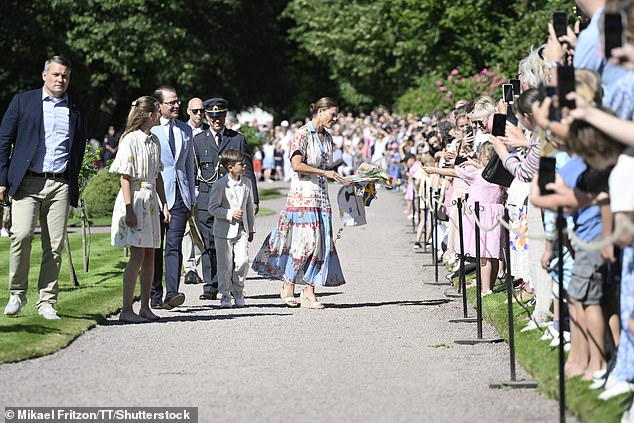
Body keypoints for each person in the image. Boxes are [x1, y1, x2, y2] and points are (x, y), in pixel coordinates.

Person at [0, 55, 87, 320]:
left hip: (59, 183)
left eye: (65, 76)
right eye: (56, 75)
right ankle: (17, 293)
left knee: (55, 244)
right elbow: (4, 140)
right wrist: (2, 180)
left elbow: (79, 146)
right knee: (22, 234)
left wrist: (74, 179)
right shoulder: (23, 101)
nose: (61, 80)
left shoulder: (76, 107)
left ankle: (47, 301)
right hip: (27, 181)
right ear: (44, 75)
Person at [252, 97, 346, 309]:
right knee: (306, 241)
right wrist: (324, 172)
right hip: (302, 195)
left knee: (321, 243)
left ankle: (309, 290)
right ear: (320, 111)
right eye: (332, 114)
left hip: (321, 196)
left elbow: (325, 168)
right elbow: (296, 165)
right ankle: (289, 283)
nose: (335, 118)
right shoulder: (302, 134)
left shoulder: (328, 138)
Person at [110, 96, 171, 323]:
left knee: (150, 253)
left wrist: (165, 203)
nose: (160, 114)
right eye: (158, 110)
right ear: (149, 114)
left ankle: (145, 306)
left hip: (151, 202)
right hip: (135, 199)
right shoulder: (130, 140)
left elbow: (158, 177)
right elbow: (124, 177)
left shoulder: (154, 140)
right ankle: (127, 309)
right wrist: (129, 209)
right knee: (137, 254)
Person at [193, 97, 259, 301]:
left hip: (233, 199)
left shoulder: (236, 139)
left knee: (235, 250)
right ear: (206, 116)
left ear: (225, 115)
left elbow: (247, 171)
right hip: (208, 199)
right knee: (209, 244)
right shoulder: (198, 140)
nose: (217, 120)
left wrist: (253, 199)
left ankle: (231, 285)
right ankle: (211, 285)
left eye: (220, 116)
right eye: (213, 116)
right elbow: (193, 171)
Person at [425, 142, 506, 294]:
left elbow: (455, 173)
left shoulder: (477, 173)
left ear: (484, 157)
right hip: (497, 215)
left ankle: (486, 289)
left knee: (484, 256)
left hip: (481, 215)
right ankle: (491, 286)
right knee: (493, 254)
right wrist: (472, 162)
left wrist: (433, 170)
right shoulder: (499, 174)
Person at [150, 86, 196, 310]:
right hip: (155, 196)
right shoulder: (151, 131)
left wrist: (191, 200)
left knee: (174, 244)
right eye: (171, 103)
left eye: (178, 102)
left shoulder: (186, 130)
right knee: (155, 246)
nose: (176, 105)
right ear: (159, 106)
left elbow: (188, 166)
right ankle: (154, 293)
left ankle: (172, 292)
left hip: (179, 195)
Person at [208, 149, 256, 308]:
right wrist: (229, 213)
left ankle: (239, 291)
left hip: (241, 230)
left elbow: (249, 207)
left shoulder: (247, 183)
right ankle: (225, 294)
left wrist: (251, 228)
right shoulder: (220, 184)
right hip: (223, 231)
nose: (244, 167)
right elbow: (212, 208)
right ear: (230, 167)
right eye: (241, 164)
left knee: (242, 261)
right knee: (225, 265)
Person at [182, 97, 206, 286]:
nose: (199, 114)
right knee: (186, 230)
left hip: (204, 187)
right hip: (186, 185)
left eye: (201, 110)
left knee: (202, 227)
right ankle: (189, 268)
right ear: (188, 112)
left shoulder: (208, 132)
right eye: (195, 111)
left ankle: (200, 263)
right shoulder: (182, 130)